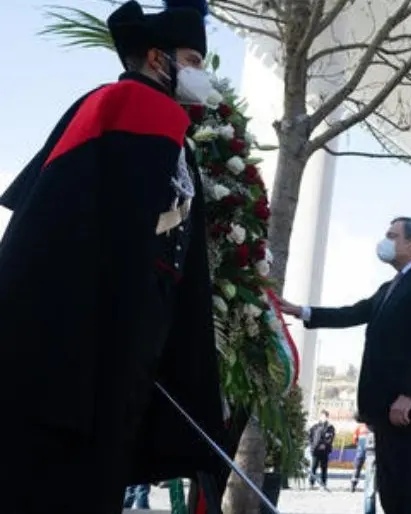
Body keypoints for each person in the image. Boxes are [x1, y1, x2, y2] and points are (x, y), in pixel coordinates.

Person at [0, 1, 227, 511]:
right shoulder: (137, 109)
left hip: (101, 343)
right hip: (99, 345)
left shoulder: (144, 116)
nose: (200, 74)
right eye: (192, 59)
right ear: (156, 58)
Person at [281, 216, 411, 514]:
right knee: (390, 491)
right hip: (383, 407)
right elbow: (353, 313)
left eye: (392, 235)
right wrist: (302, 311)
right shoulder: (389, 287)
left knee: (407, 491)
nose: (385, 241)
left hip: (405, 410)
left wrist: (408, 395)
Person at [309, 410, 337, 490]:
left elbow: (330, 438)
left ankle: (323, 483)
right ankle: (311, 483)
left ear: (327, 417)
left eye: (325, 416)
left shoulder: (330, 427)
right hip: (315, 450)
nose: (323, 418)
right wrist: (312, 445)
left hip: (324, 451)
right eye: (322, 416)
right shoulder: (315, 426)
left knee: (324, 468)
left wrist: (324, 444)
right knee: (313, 467)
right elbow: (310, 437)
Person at [353, 414, 371, 492]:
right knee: (357, 467)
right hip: (360, 451)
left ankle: (369, 485)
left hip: (369, 452)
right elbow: (354, 439)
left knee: (369, 468)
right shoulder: (359, 427)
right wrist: (358, 446)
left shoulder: (373, 427)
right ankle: (354, 482)